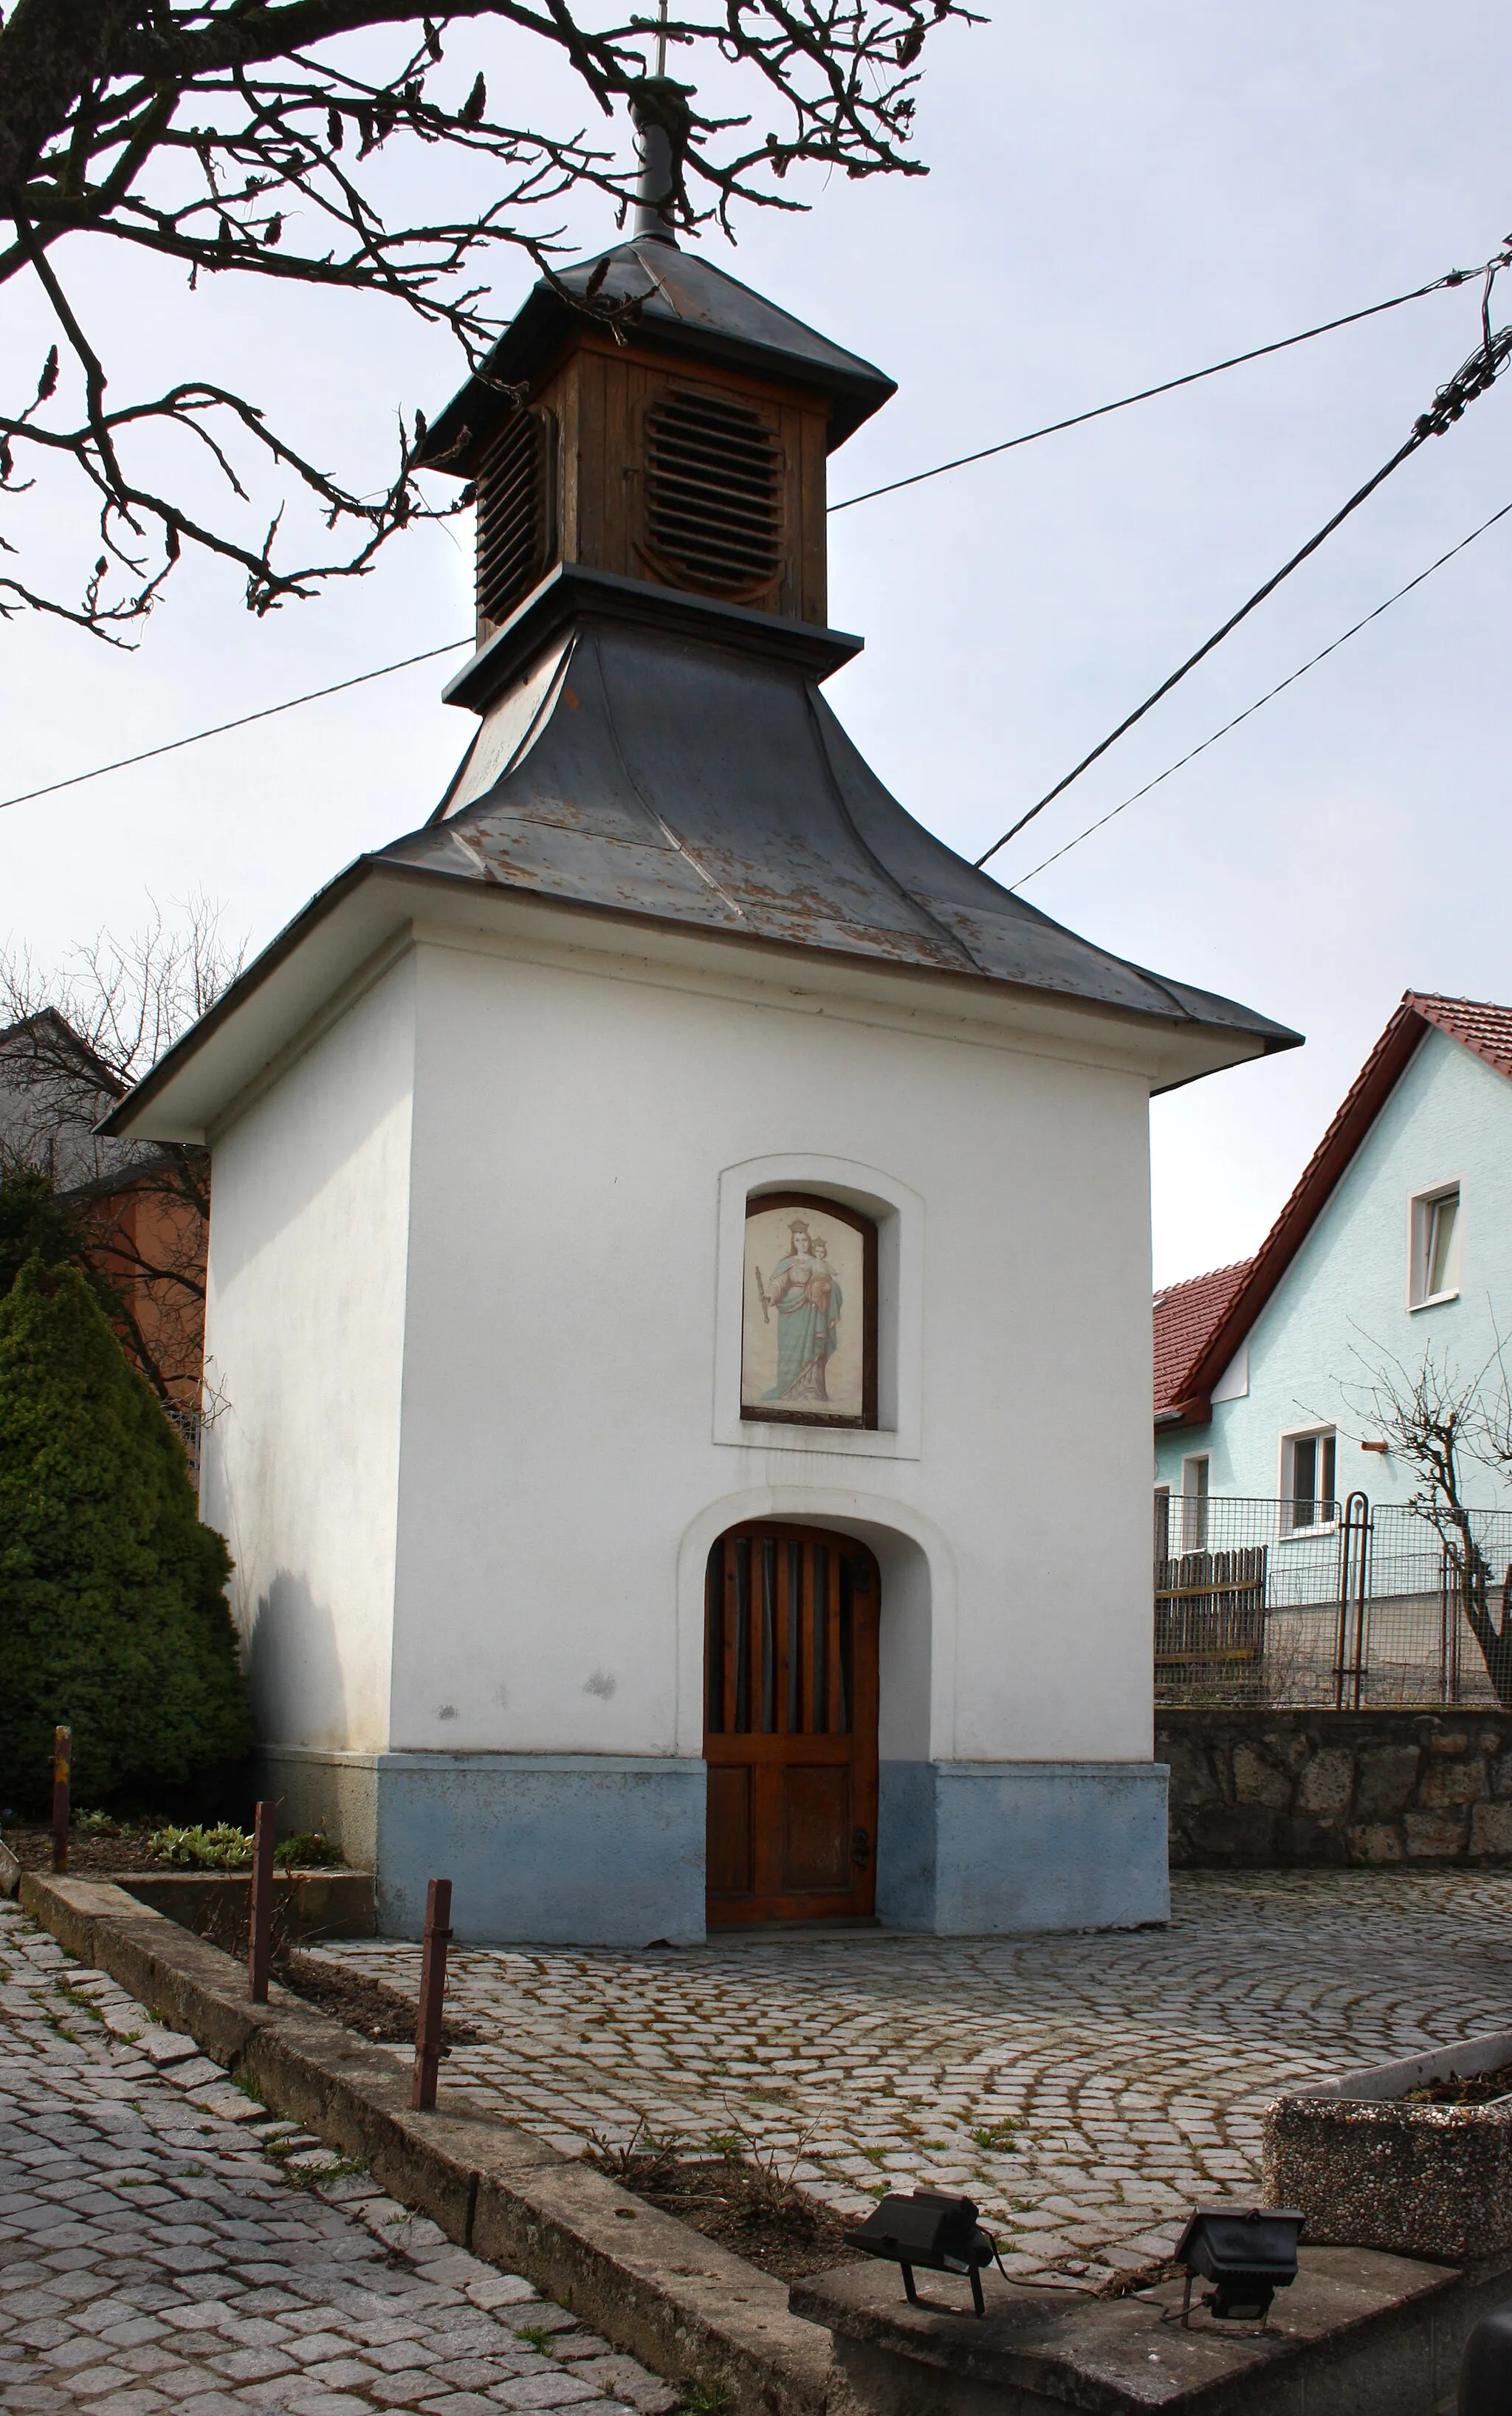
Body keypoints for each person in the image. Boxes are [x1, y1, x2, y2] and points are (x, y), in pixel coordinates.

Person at [763, 1224, 842, 1404]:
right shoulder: (788, 1263)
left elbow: (831, 1282)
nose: (802, 1244)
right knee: (791, 1347)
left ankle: (812, 1390)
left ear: (810, 1241)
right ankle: (788, 1390)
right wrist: (770, 1295)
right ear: (793, 1242)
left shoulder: (818, 1263)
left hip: (814, 1309)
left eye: (805, 1239)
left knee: (814, 1345)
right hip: (792, 1311)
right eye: (798, 1240)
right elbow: (778, 1284)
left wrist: (828, 1288)